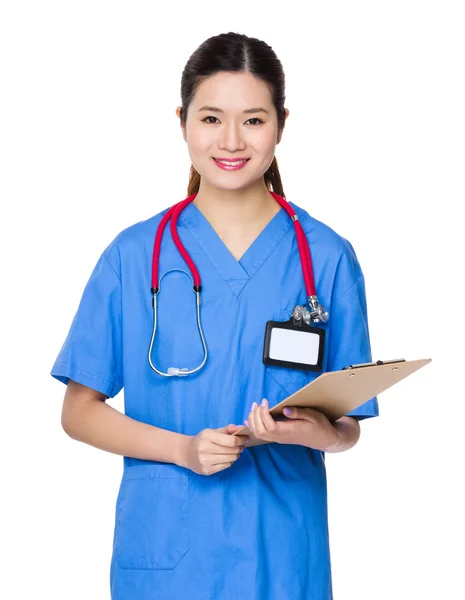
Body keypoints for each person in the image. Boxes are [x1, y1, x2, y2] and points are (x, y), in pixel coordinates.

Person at [51, 31, 379, 600]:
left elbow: (347, 430)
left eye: (253, 120)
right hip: (166, 553)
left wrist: (314, 431)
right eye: (210, 119)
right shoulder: (135, 256)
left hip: (282, 550)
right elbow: (78, 412)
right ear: (182, 122)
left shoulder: (325, 257)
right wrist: (182, 449)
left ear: (282, 122)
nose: (231, 140)